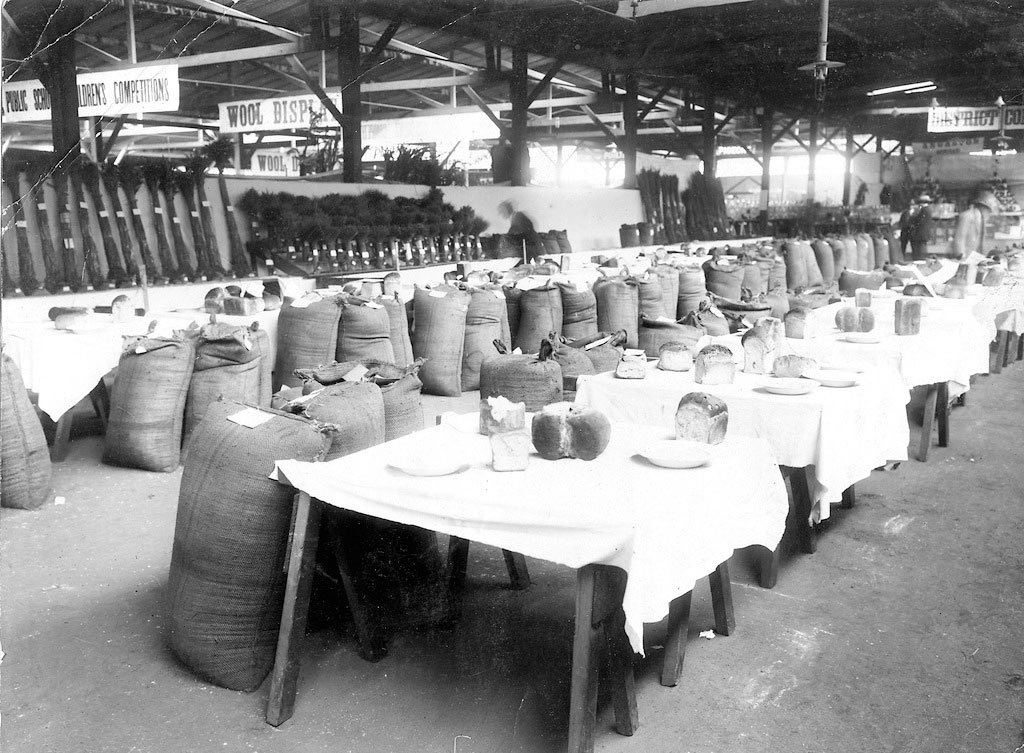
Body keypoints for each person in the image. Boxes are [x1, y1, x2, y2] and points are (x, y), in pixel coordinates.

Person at [952, 189, 1001, 259]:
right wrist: (961, 256)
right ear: (982, 206)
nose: (989, 212)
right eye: (988, 210)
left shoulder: (981, 218)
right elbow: (959, 238)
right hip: (965, 257)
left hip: (976, 256)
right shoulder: (967, 216)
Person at [907, 194, 935, 261]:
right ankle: (921, 259)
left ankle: (921, 260)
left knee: (921, 249)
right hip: (924, 232)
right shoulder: (927, 209)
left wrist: (912, 217)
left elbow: (919, 221)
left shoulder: (924, 210)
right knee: (922, 247)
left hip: (921, 232)